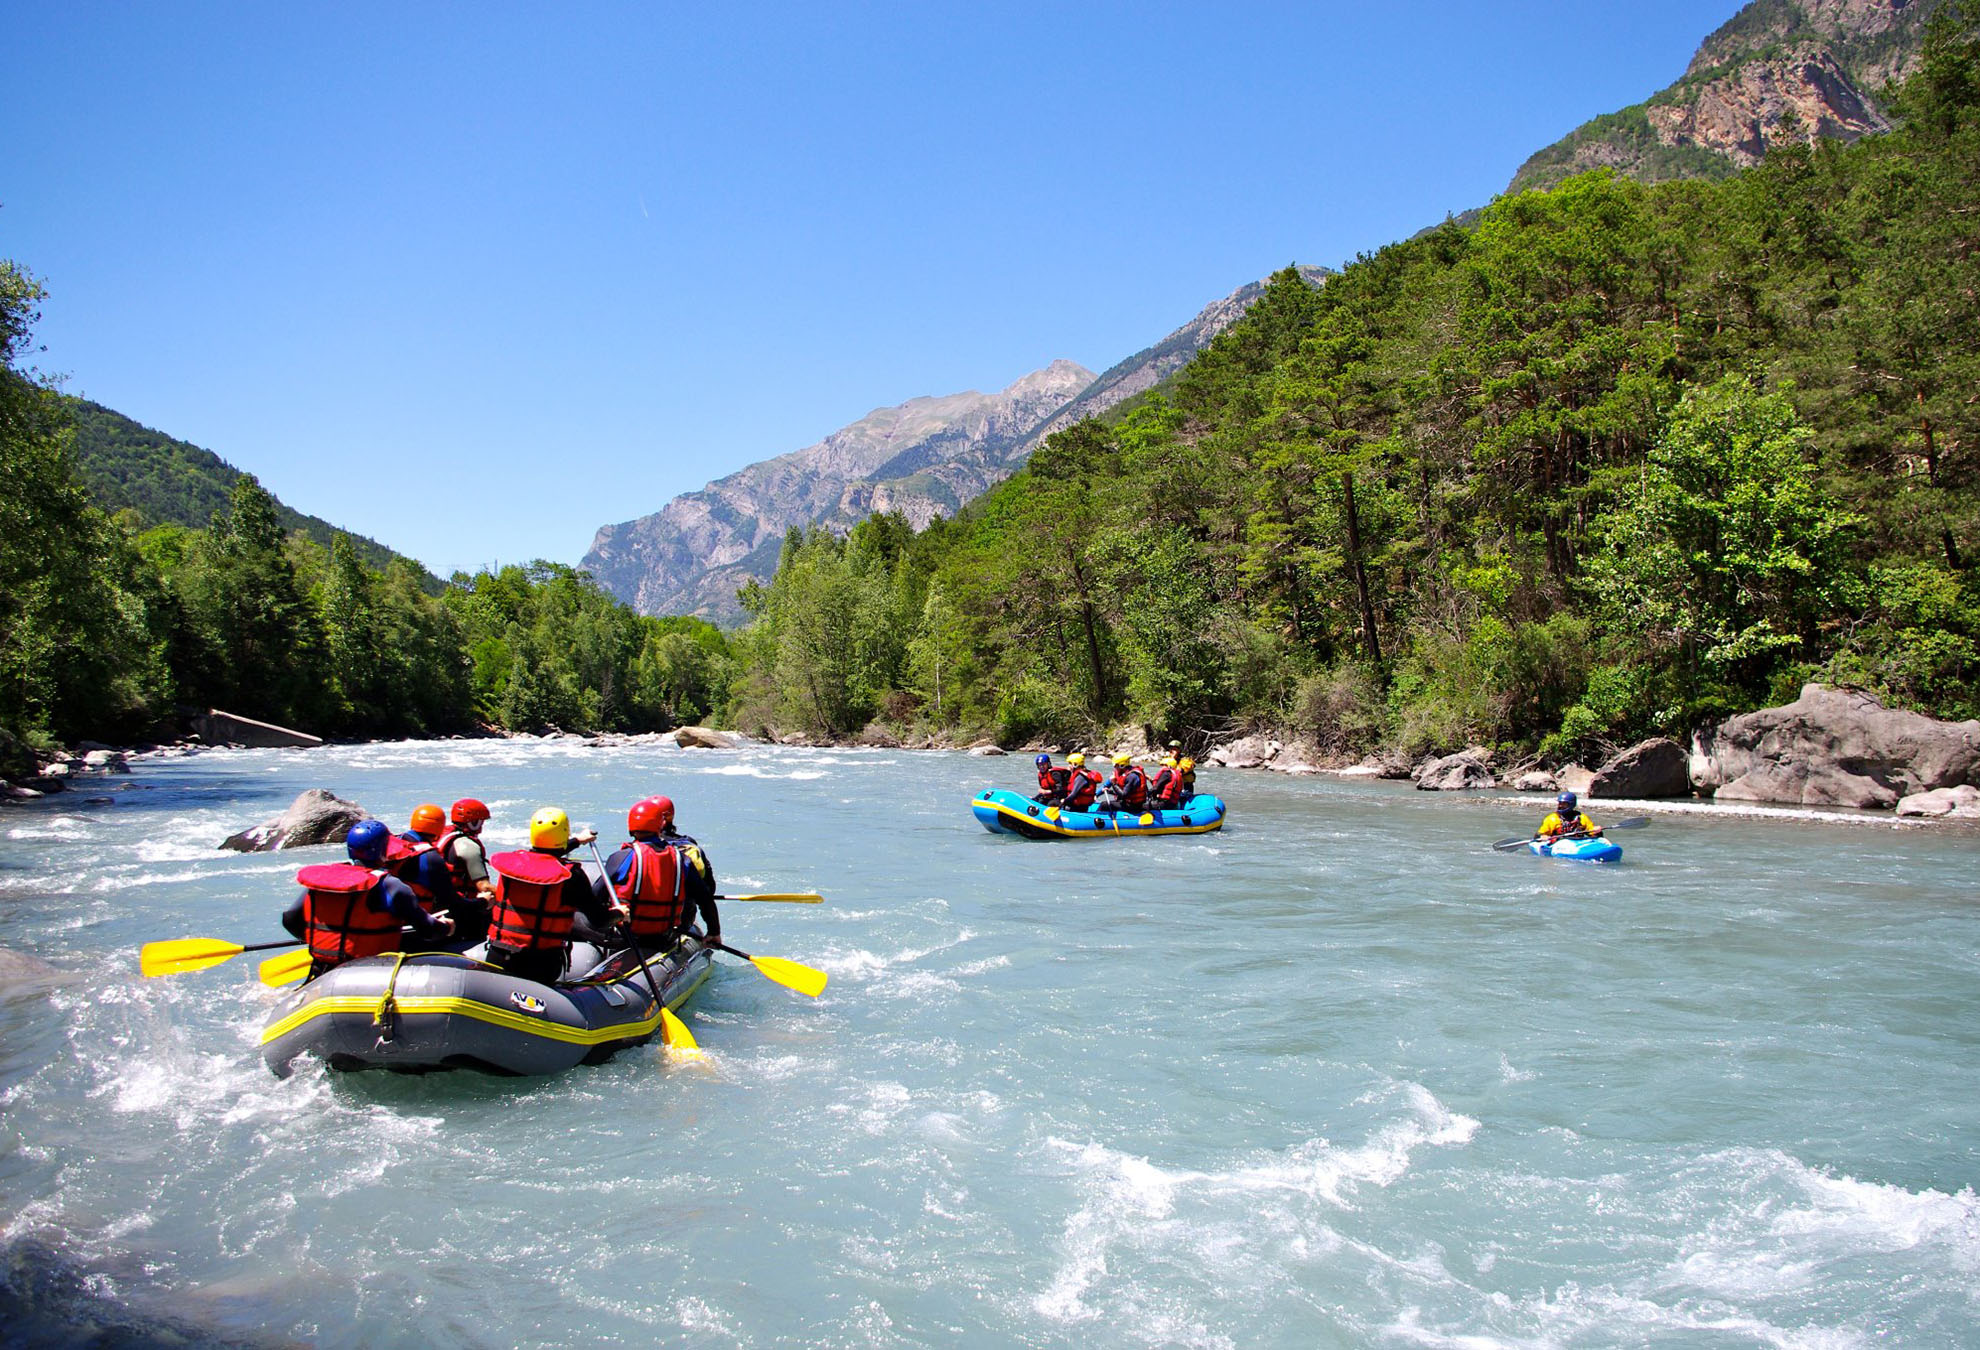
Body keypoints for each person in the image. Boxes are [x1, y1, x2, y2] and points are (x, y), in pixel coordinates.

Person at [282, 819, 454, 979]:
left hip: (323, 971)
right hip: (373, 973)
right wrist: (446, 927)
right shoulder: (391, 886)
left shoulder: (323, 882)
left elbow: (290, 918)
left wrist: (325, 941)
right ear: (384, 849)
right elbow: (428, 930)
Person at [484, 807, 627, 986]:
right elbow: (599, 920)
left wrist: (577, 841)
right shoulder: (571, 876)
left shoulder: (513, 865)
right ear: (563, 835)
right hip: (539, 964)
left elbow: (544, 856)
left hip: (497, 955)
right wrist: (619, 913)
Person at [603, 796, 722, 955]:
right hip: (668, 934)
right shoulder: (683, 859)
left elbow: (595, 897)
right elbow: (707, 895)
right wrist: (714, 932)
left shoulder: (623, 857)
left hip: (627, 933)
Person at [430, 798, 495, 943]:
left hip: (438, 903)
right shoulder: (468, 846)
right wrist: (509, 896)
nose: (482, 827)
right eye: (480, 822)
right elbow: (483, 886)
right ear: (473, 823)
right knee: (491, 899)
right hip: (462, 907)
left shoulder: (440, 836)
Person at [1538, 790, 1602, 840]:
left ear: (1571, 804)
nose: (1560, 806)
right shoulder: (1552, 818)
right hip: (1558, 844)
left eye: (1564, 804)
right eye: (1560, 803)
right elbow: (1538, 835)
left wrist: (1598, 831)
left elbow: (1594, 836)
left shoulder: (1582, 818)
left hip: (1577, 844)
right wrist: (1542, 836)